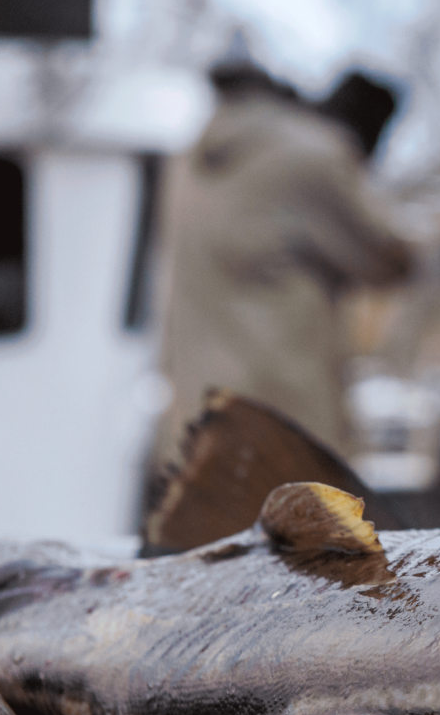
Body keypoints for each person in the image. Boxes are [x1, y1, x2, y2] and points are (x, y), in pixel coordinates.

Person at [150, 59, 412, 472]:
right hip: (284, 433)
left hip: (196, 430)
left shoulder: (189, 159)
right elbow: (393, 258)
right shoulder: (314, 157)